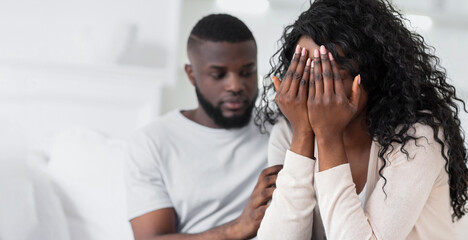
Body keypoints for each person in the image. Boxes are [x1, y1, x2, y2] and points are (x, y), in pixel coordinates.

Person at [254, 0, 468, 239]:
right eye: (304, 73)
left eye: (330, 77)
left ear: (368, 76)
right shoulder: (288, 133)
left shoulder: (417, 137)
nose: (315, 91)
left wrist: (328, 136)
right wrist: (303, 135)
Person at [125, 14, 280, 240]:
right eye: (218, 75)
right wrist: (239, 227)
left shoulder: (282, 128)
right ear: (191, 74)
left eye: (247, 72)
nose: (235, 85)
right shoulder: (152, 142)